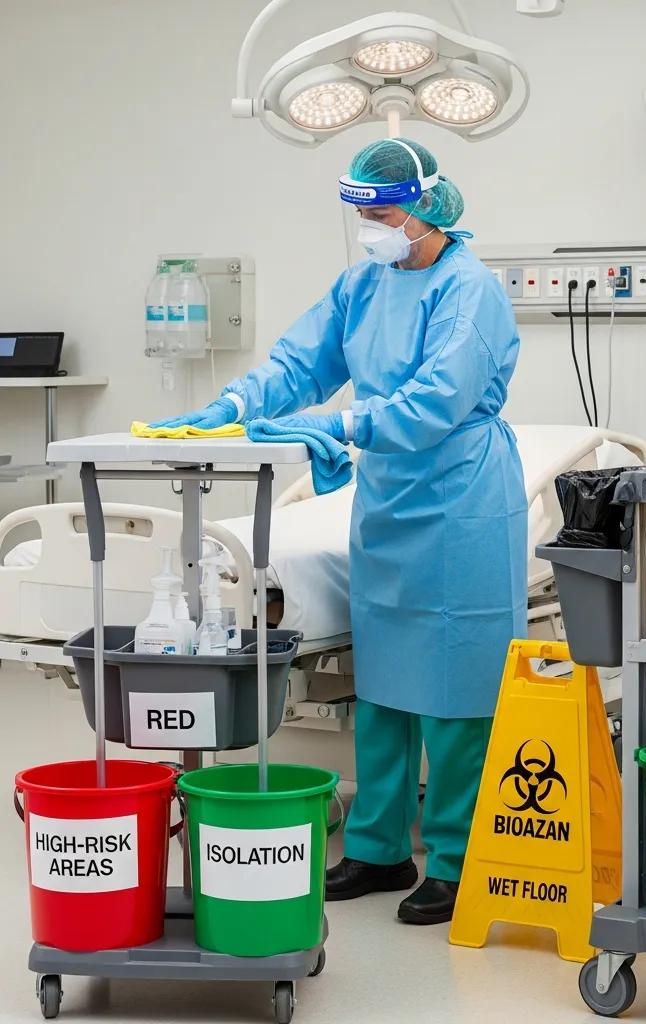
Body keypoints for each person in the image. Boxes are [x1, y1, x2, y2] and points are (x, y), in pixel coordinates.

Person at [152, 137, 527, 924]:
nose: (374, 230)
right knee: (385, 686)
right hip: (387, 500)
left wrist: (350, 420)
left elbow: (439, 397)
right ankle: (377, 849)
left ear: (426, 210)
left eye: (386, 214)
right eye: (364, 215)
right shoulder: (363, 283)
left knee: (457, 700)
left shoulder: (469, 290)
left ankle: (455, 862)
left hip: (460, 501)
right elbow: (299, 362)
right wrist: (234, 404)